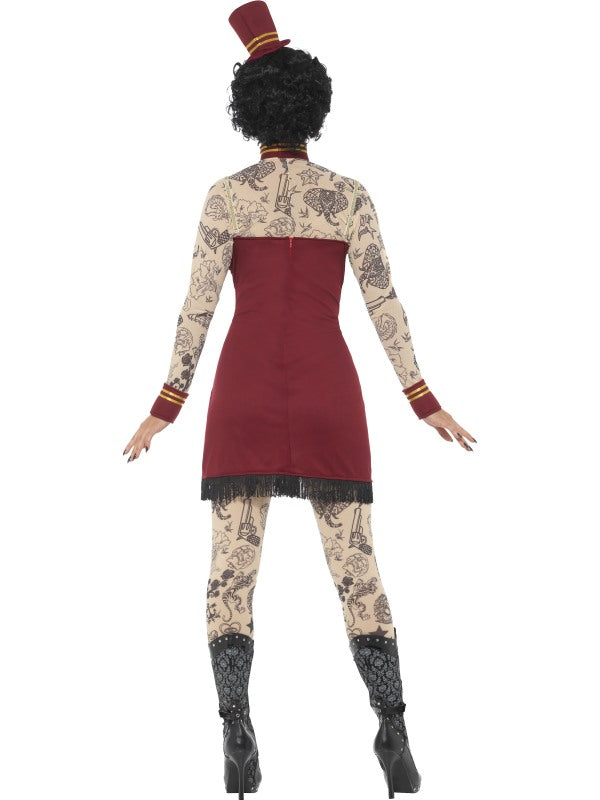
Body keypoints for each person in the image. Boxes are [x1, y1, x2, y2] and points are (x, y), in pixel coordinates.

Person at [123, 2, 476, 796]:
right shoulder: (348, 197)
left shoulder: (225, 197)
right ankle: (393, 730)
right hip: (329, 394)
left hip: (242, 394)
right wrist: (422, 399)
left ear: (247, 111)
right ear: (314, 106)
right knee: (357, 568)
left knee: (230, 574)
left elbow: (196, 311)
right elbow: (385, 306)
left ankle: (237, 736)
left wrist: (165, 406)